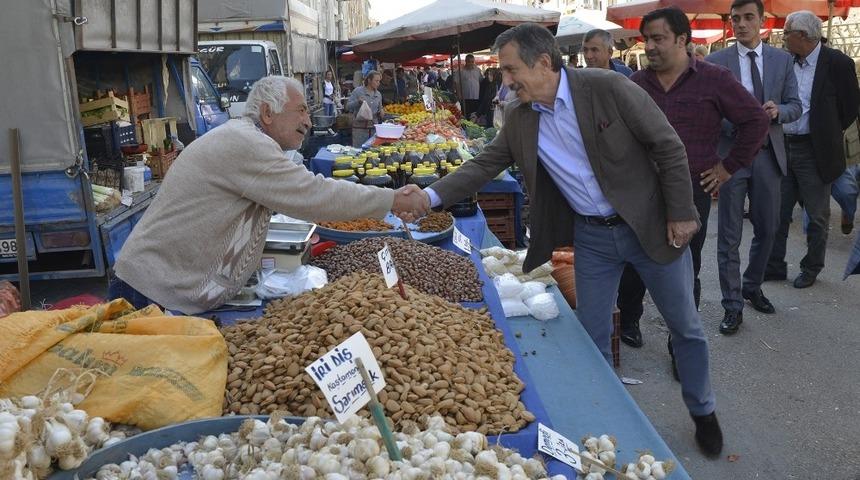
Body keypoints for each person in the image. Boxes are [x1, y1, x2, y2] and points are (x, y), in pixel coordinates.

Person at [414, 22, 725, 457]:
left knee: (686, 327)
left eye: (509, 70)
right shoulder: (521, 119)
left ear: (543, 63)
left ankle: (703, 410)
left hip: (649, 225)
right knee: (590, 336)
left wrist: (681, 212)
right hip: (592, 238)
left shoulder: (608, 88)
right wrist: (428, 195)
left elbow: (668, 145)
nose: (504, 81)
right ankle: (602, 423)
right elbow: (484, 164)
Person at [111, 76, 428, 314]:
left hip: (164, 287)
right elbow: (314, 194)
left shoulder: (247, 139)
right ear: (267, 113)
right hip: (149, 290)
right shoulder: (246, 143)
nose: (307, 120)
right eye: (300, 110)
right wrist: (392, 199)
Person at [622, 7, 769, 346]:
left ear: (682, 40)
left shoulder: (714, 79)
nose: (651, 47)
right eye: (647, 40)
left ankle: (682, 341)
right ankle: (629, 320)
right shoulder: (636, 83)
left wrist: (727, 167)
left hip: (691, 189)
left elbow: (756, 121)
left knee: (686, 265)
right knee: (633, 257)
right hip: (641, 189)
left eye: (659, 39)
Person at [705, 0, 801, 333]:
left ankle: (752, 285)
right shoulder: (716, 62)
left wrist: (779, 111)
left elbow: (796, 106)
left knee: (769, 228)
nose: (742, 24)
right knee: (728, 237)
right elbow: (707, 113)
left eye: (748, 18)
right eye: (736, 19)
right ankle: (732, 305)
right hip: (730, 159)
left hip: (768, 155)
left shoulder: (782, 60)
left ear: (762, 21)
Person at [766, 11, 860, 288]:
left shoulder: (837, 63)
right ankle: (774, 265)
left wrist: (826, 132)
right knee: (778, 213)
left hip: (814, 150)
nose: (783, 38)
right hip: (783, 146)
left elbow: (850, 107)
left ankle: (811, 267)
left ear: (803, 36)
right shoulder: (785, 61)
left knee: (817, 217)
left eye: (787, 33)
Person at [347, 70, 384, 148]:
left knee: (373, 153)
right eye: (376, 81)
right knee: (359, 152)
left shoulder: (378, 94)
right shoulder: (358, 91)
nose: (378, 83)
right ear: (369, 80)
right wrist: (358, 102)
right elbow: (348, 106)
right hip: (360, 130)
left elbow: (380, 107)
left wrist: (381, 111)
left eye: (379, 81)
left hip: (373, 130)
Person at [452, 54, 483, 120]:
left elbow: (481, 81)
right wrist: (459, 95)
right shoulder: (460, 71)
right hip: (465, 98)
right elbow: (456, 83)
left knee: (474, 116)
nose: (471, 63)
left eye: (472, 61)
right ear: (465, 61)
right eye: (469, 61)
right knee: (465, 116)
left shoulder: (478, 70)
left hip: (476, 97)